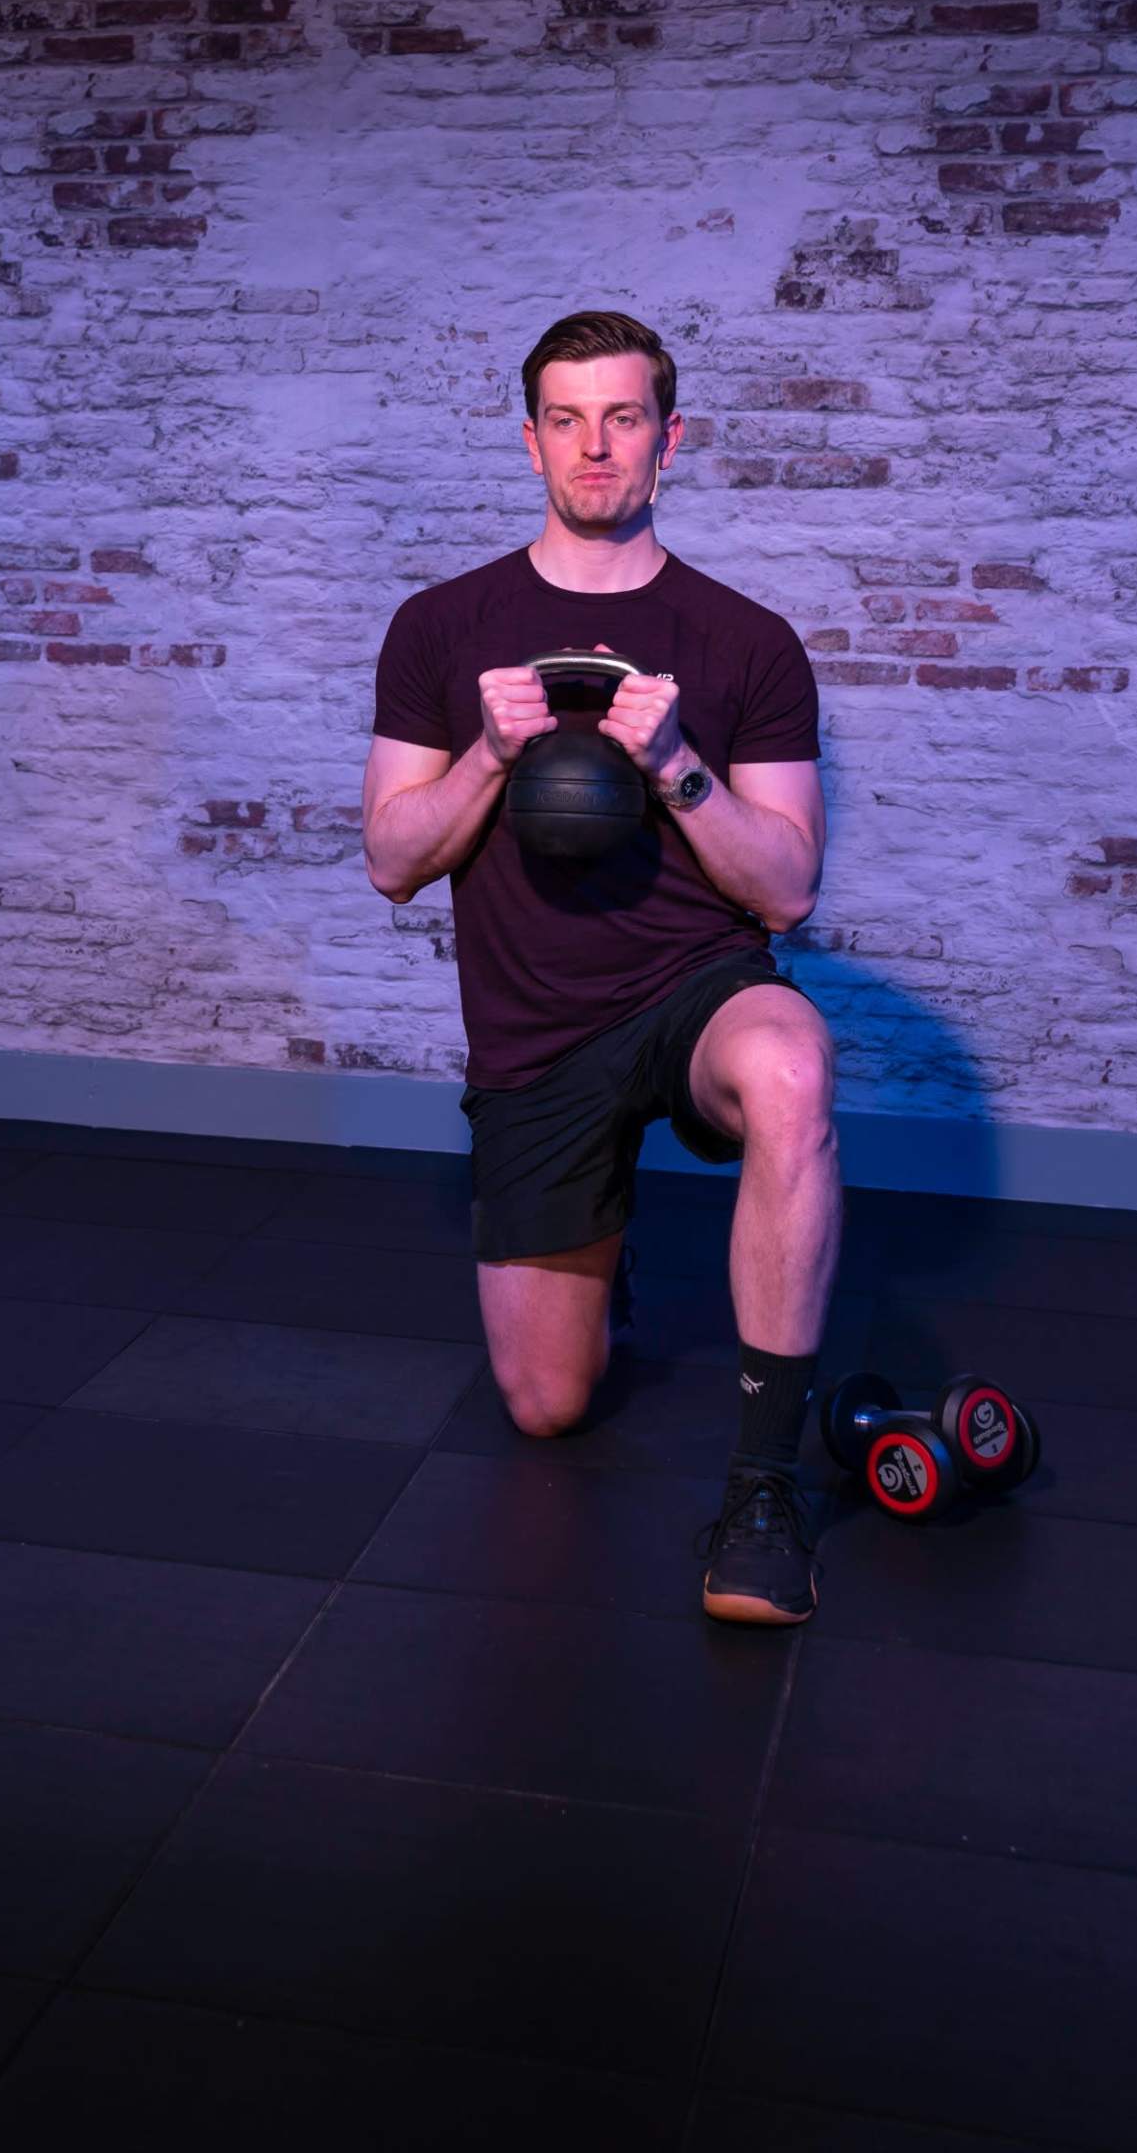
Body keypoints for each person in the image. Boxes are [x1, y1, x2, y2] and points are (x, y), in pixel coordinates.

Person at [361, 310, 838, 1625]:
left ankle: (759, 1494)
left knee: (795, 1070)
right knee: (547, 1410)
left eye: (624, 417)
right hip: (536, 1034)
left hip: (694, 987)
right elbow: (391, 859)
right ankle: (601, 1239)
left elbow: (788, 888)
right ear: (529, 442)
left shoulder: (746, 642)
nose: (596, 446)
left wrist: (678, 761)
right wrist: (487, 755)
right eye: (567, 419)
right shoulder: (442, 627)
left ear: (670, 439)